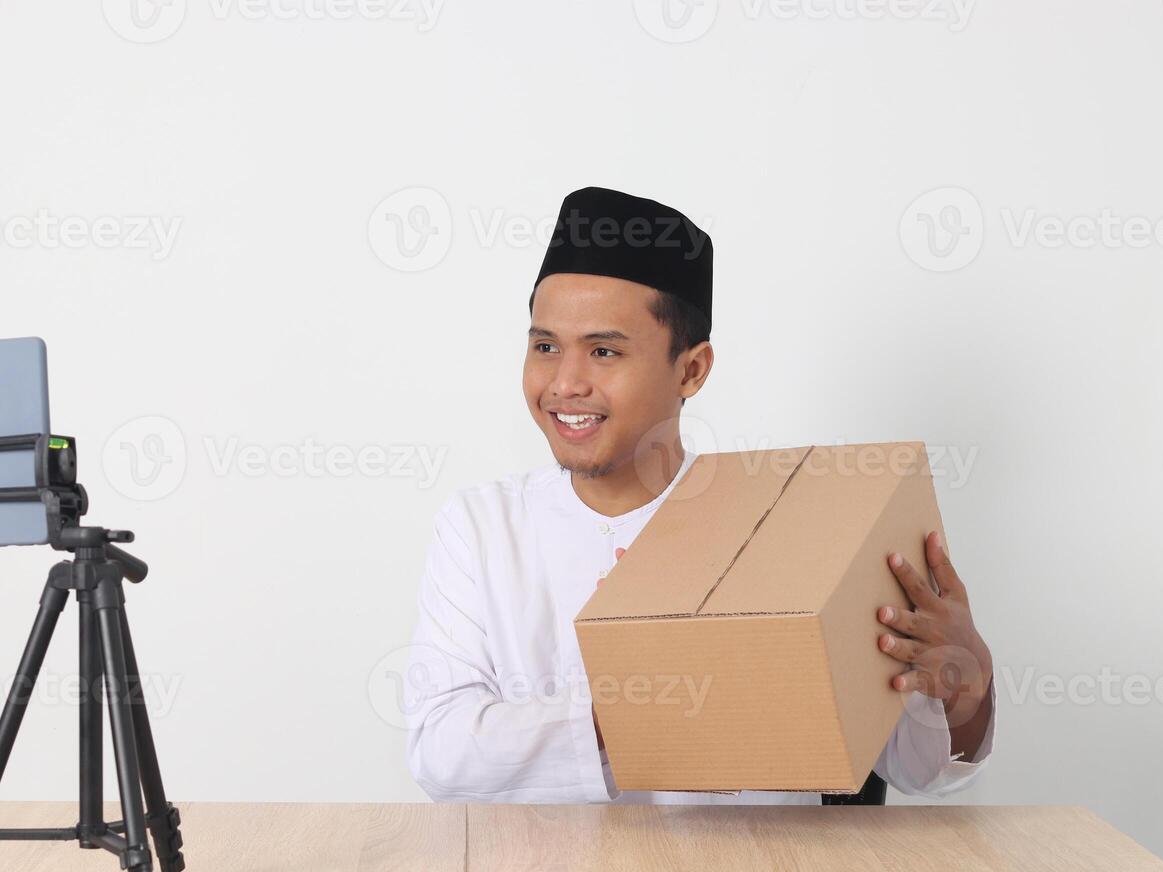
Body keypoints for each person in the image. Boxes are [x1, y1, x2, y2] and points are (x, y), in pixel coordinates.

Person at [404, 186, 995, 804]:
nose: (565, 382)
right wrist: (650, 696)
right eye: (545, 346)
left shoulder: (788, 520)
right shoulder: (480, 526)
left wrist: (966, 683)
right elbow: (442, 752)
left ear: (691, 370)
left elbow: (917, 768)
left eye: (604, 351)